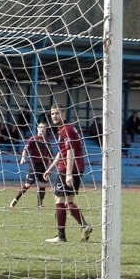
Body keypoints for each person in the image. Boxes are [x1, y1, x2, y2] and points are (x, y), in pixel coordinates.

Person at [43, 104, 93, 243]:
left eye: (57, 113)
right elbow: (62, 151)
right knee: (68, 201)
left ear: (64, 114)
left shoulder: (65, 130)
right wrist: (50, 168)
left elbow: (70, 151)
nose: (54, 116)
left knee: (59, 200)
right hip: (75, 168)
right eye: (52, 114)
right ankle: (84, 225)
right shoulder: (67, 129)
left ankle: (61, 236)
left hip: (68, 168)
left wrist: (69, 173)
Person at [10, 120, 53, 210]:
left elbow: (49, 153)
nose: (42, 129)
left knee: (43, 185)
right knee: (28, 184)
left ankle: (39, 204)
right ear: (37, 128)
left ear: (46, 130)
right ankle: (16, 198)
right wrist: (23, 158)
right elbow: (26, 149)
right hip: (34, 165)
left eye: (44, 128)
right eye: (40, 127)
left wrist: (51, 161)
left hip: (43, 165)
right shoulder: (33, 139)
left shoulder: (47, 141)